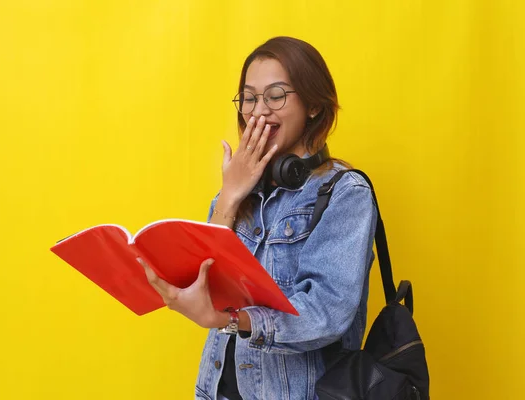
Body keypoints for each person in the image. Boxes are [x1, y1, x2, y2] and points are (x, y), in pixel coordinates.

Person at [141, 36, 378, 400]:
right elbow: (202, 277)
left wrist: (231, 320)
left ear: (314, 105)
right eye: (249, 98)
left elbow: (326, 312)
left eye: (276, 95)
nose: (258, 111)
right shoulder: (241, 190)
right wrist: (230, 196)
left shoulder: (345, 193)